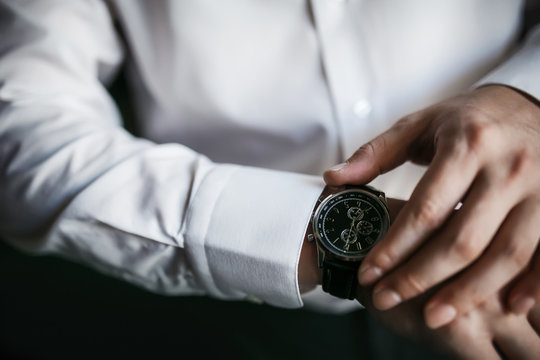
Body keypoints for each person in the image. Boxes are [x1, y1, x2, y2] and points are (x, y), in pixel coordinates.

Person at [0, 0, 538, 359]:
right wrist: (323, 242)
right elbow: (21, 123)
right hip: (232, 298)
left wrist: (526, 98)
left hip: (512, 246)